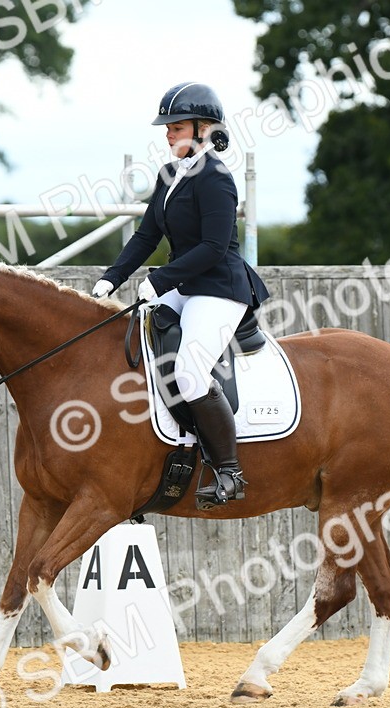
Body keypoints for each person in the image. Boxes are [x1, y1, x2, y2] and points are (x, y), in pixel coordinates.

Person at [92, 82, 270, 509]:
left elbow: (213, 248)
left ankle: (230, 470)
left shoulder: (217, 179)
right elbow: (147, 234)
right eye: (167, 127)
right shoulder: (169, 175)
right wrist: (111, 279)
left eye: (175, 126)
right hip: (186, 286)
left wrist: (162, 279)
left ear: (203, 128)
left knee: (190, 371)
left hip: (219, 289)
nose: (168, 134)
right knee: (129, 338)